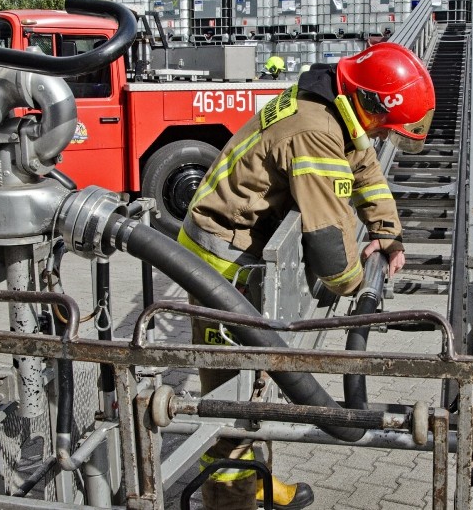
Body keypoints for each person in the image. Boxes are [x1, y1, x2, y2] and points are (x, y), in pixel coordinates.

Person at [179, 41, 435, 510]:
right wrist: (358, 288)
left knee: (256, 374)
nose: (380, 134)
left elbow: (364, 165)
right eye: (384, 123)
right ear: (370, 101)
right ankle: (229, 497)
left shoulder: (334, 103)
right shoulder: (316, 130)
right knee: (232, 383)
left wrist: (388, 234)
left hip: (242, 245)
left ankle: (255, 477)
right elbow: (330, 243)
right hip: (217, 258)